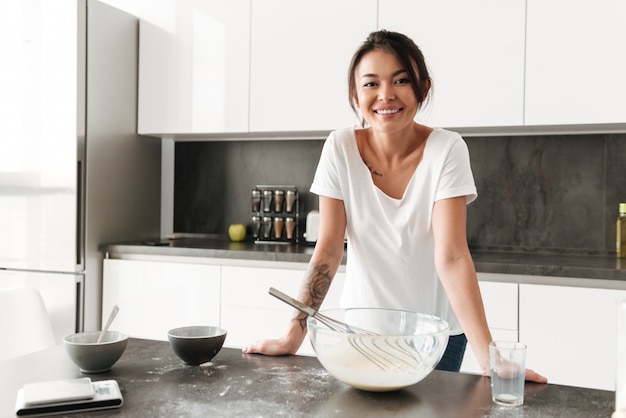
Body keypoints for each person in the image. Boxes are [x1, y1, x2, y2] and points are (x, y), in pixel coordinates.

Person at [243, 30, 547, 382]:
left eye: (400, 80)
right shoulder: (339, 148)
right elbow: (327, 250)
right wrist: (291, 338)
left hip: (436, 338)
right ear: (355, 95)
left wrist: (490, 360)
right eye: (371, 84)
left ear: (423, 88)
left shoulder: (447, 149)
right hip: (361, 333)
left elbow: (452, 257)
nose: (385, 95)